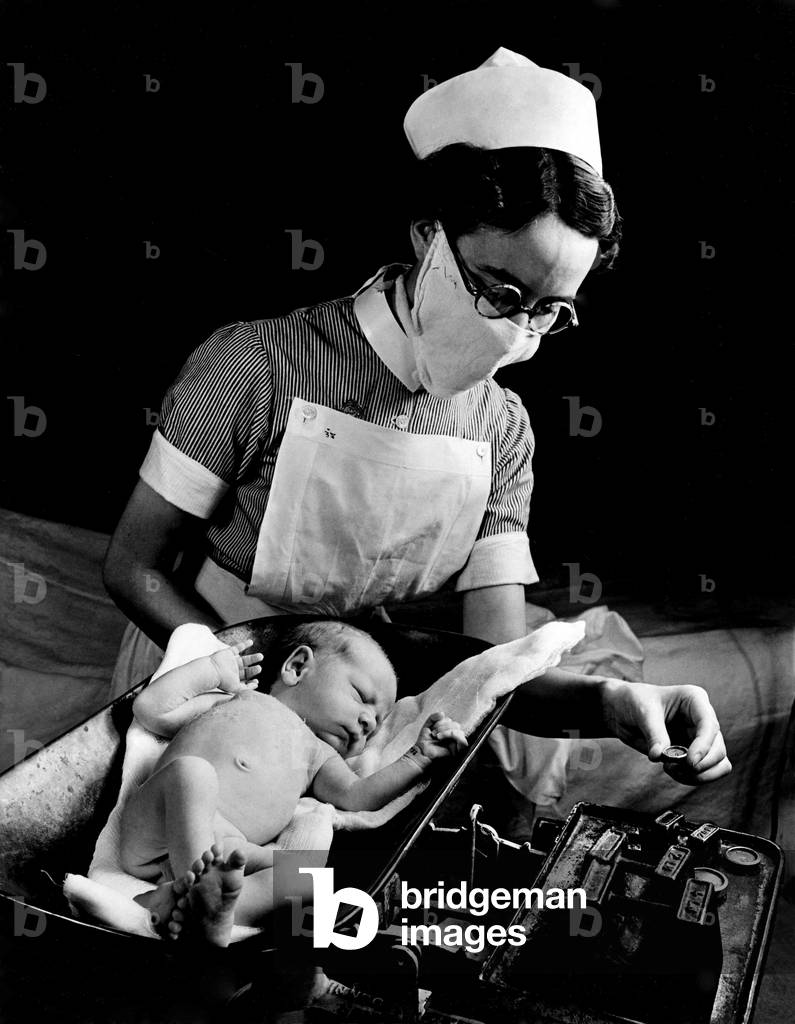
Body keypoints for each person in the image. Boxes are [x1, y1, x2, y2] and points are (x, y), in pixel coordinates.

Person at [103, 48, 730, 796]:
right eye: (499, 291)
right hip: (199, 676)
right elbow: (132, 567)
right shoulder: (258, 364)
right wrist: (231, 680)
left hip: (349, 701)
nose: (515, 333)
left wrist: (614, 703)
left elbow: (499, 664)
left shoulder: (501, 432)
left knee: (302, 896)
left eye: (546, 312)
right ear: (428, 237)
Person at [120, 620, 466, 946]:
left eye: (375, 725)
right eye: (361, 697)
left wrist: (417, 758)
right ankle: (195, 891)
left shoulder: (319, 756)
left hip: (227, 851)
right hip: (160, 823)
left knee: (305, 875)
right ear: (297, 667)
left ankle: (214, 910)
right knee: (192, 774)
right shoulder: (239, 699)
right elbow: (151, 709)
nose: (366, 722)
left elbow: (358, 796)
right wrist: (212, 670)